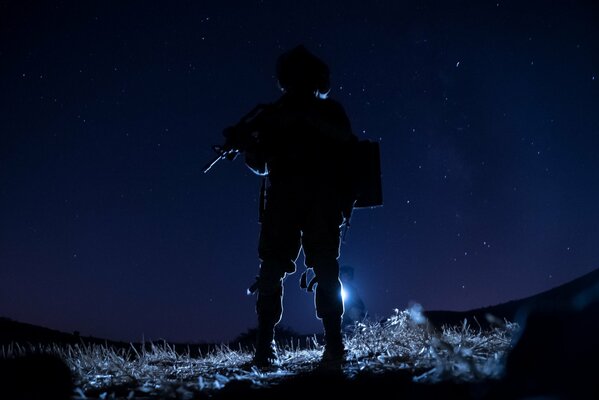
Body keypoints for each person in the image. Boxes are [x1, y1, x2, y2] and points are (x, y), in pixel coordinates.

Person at [221, 45, 358, 367]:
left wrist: (298, 121)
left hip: (316, 197)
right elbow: (262, 163)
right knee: (278, 269)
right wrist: (246, 147)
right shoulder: (273, 115)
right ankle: (267, 348)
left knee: (321, 267)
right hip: (291, 199)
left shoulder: (322, 112)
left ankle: (331, 345)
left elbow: (345, 142)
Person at [340, 265, 366, 330]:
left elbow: (359, 302)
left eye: (347, 275)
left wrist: (359, 309)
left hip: (352, 312)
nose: (346, 277)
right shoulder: (338, 287)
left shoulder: (352, 288)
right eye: (344, 275)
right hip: (343, 313)